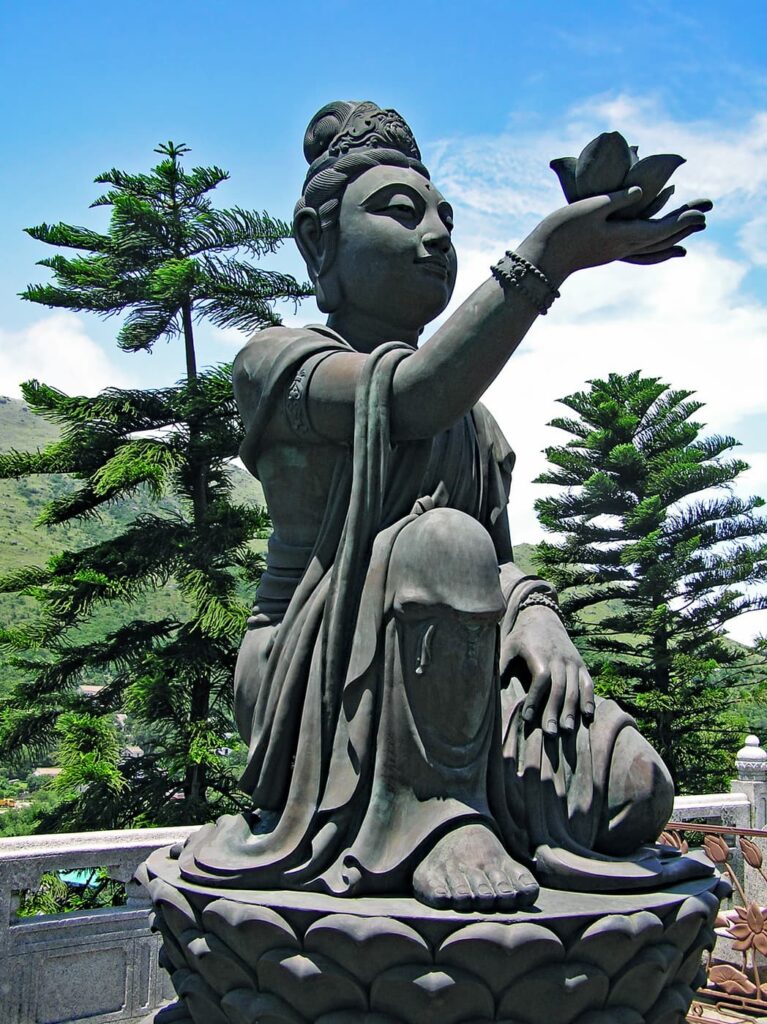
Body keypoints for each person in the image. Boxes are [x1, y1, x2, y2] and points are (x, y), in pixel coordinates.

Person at [179, 101, 712, 910]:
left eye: (445, 220)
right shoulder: (279, 362)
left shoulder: (476, 421)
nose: (436, 238)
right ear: (318, 242)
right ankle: (435, 819)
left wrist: (534, 614)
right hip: (312, 677)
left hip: (453, 671)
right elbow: (409, 401)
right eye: (400, 214)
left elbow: (497, 559)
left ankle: (469, 799)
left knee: (633, 788)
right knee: (438, 538)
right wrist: (549, 256)